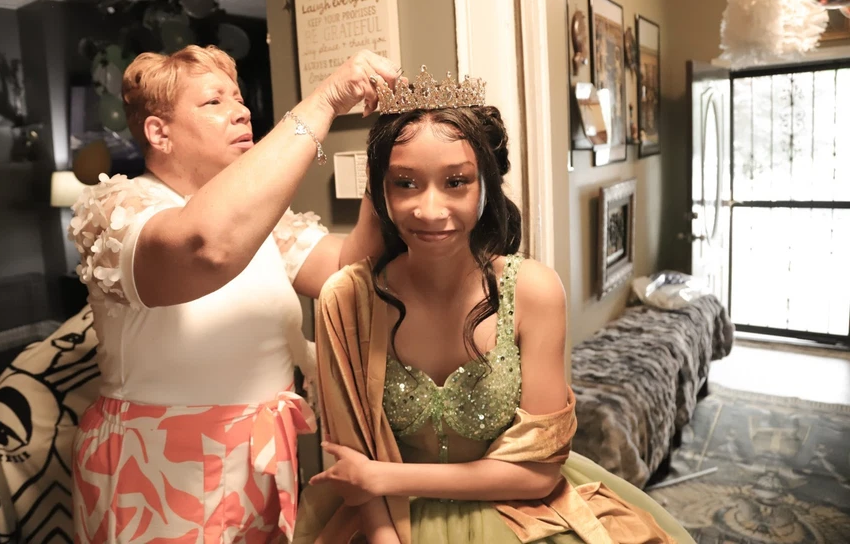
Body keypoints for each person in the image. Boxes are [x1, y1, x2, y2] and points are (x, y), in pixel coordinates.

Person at [293, 67, 694, 543]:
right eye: (405, 184)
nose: (430, 209)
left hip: (518, 514)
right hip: (382, 522)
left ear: (486, 184)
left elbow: (538, 473)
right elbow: (354, 471)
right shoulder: (346, 299)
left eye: (456, 182)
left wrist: (386, 477)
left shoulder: (533, 291)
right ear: (380, 191)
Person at [67, 45, 400, 543]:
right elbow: (204, 246)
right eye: (214, 102)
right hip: (157, 467)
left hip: (260, 457)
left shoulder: (260, 224)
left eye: (239, 98)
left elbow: (346, 266)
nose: (241, 110)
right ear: (159, 133)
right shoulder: (119, 210)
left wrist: (386, 161)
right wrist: (326, 101)